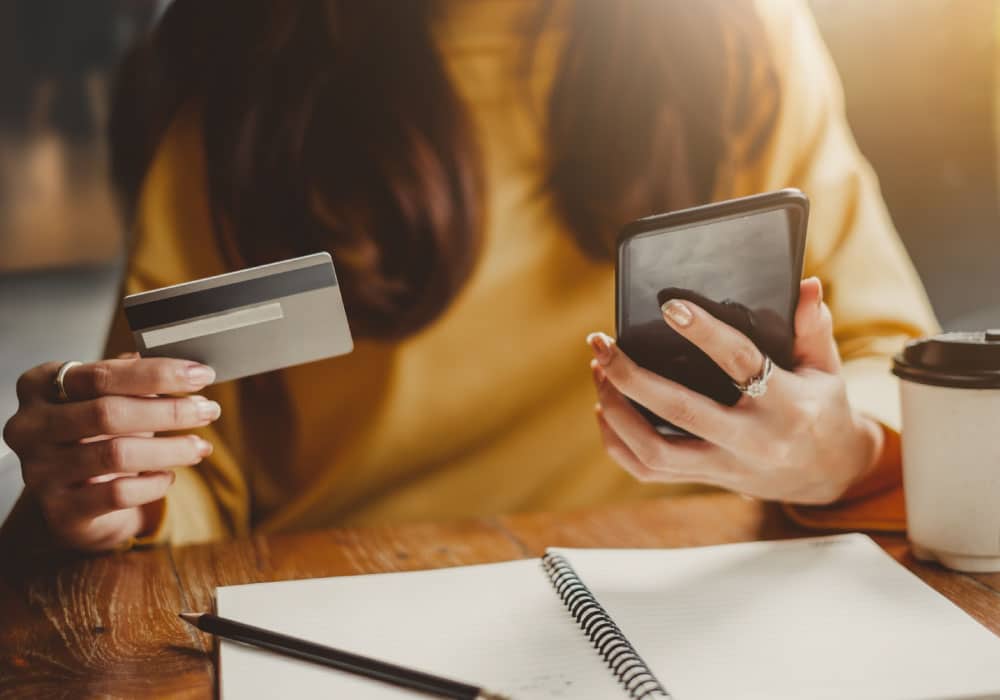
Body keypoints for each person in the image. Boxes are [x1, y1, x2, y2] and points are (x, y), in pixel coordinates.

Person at [2, 0, 937, 552]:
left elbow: (890, 359)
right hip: (338, 607)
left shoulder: (741, 40)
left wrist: (840, 451)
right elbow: (194, 464)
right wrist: (125, 488)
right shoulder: (243, 89)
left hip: (714, 593)